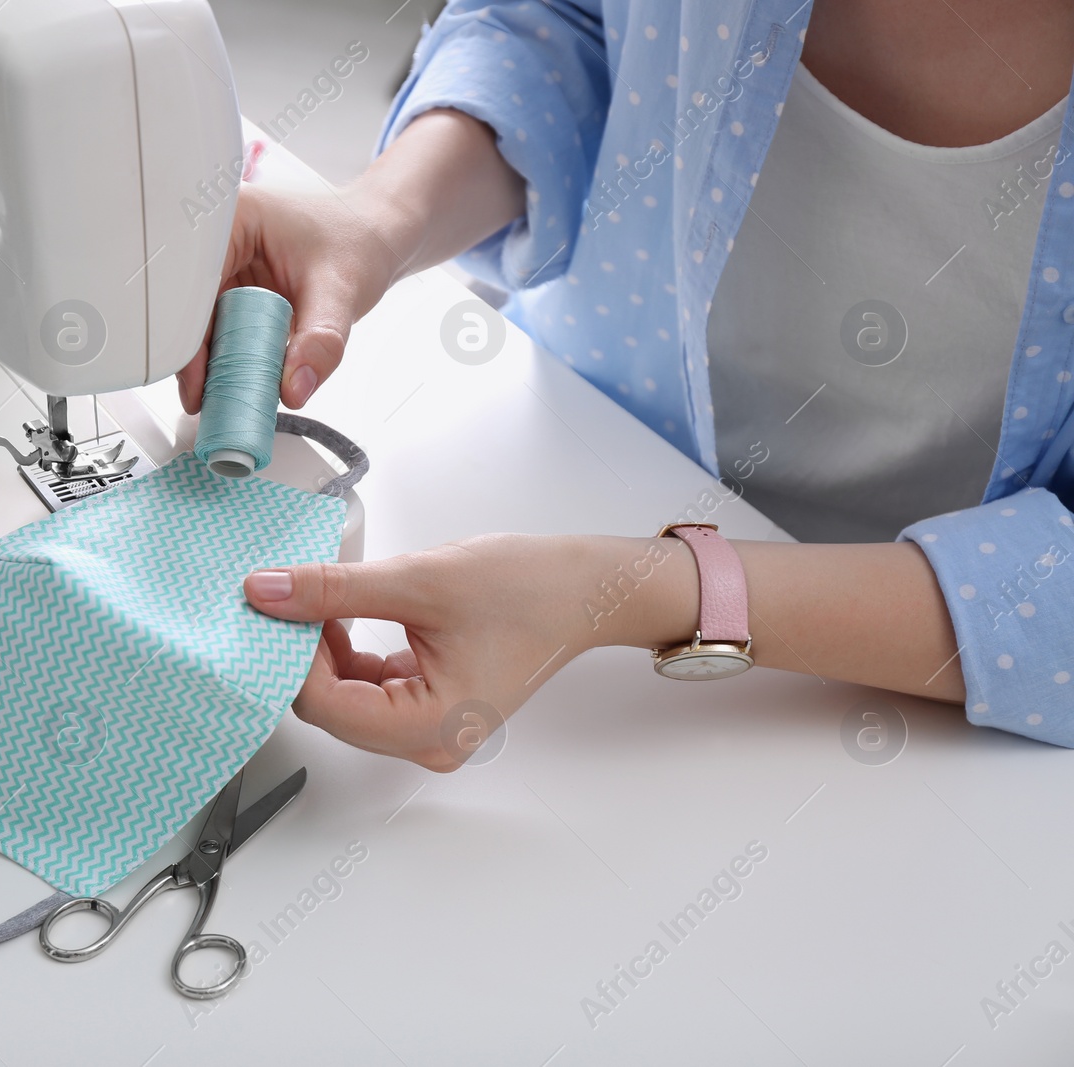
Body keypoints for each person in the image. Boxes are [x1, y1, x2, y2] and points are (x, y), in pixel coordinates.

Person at [176, 0, 1074, 769]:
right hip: (564, 438)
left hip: (913, 687)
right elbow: (561, 25)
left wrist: (637, 593)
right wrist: (376, 220)